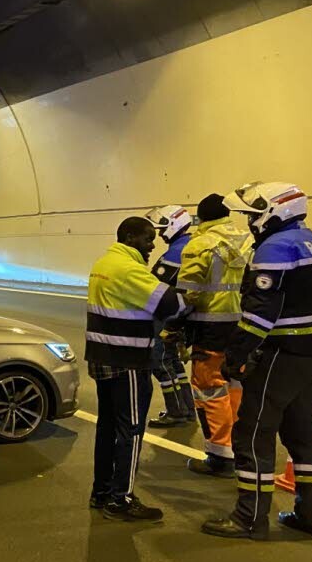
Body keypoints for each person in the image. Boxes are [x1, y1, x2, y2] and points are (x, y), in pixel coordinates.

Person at [203, 182, 312, 539]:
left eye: (253, 215)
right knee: (304, 433)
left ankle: (249, 518)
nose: (250, 222)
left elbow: (259, 312)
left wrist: (236, 355)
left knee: (253, 432)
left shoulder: (275, 248)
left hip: (282, 353)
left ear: (275, 211)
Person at [86, 217, 187, 521]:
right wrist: (194, 296)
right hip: (126, 360)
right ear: (130, 237)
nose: (152, 245)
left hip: (104, 358)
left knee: (107, 429)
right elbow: (171, 305)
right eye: (147, 239)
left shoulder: (104, 262)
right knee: (130, 430)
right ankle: (122, 500)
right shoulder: (128, 269)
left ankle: (102, 492)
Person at [175, 194, 252, 476]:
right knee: (235, 386)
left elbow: (188, 293)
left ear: (202, 217)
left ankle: (219, 455)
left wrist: (172, 326)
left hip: (209, 329)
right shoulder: (248, 239)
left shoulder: (199, 244)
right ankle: (238, 447)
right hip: (243, 327)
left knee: (209, 389)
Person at [144, 205, 198, 427]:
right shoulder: (191, 245)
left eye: (161, 229)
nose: (159, 234)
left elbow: (156, 286)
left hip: (167, 316)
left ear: (173, 224)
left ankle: (176, 411)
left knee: (160, 362)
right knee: (174, 362)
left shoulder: (177, 252)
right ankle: (187, 409)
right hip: (183, 316)